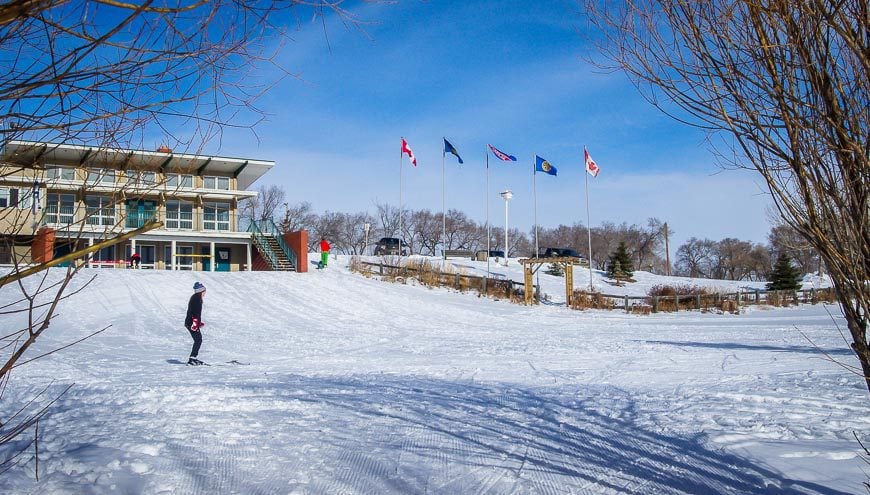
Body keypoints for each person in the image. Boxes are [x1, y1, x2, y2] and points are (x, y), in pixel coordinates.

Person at [184, 281, 206, 365]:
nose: (205, 293)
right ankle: (192, 359)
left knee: (198, 340)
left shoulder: (196, 298)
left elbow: (194, 312)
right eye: (204, 292)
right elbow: (195, 313)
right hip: (191, 323)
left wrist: (198, 323)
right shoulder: (197, 299)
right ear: (201, 291)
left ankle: (193, 358)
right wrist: (195, 323)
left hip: (191, 323)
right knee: (198, 340)